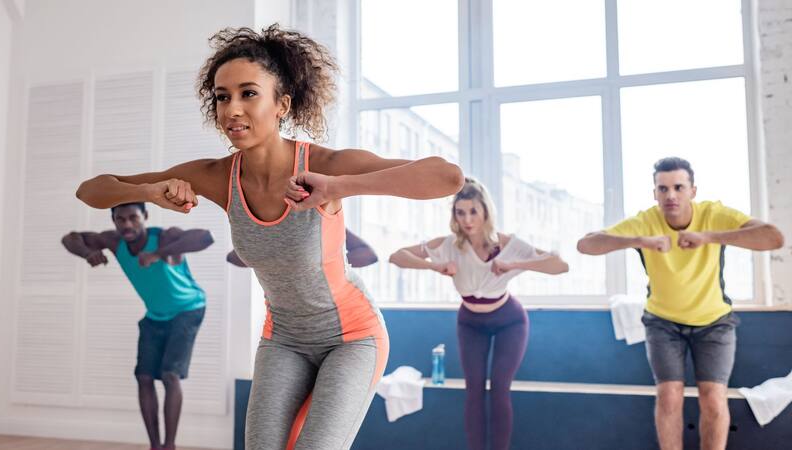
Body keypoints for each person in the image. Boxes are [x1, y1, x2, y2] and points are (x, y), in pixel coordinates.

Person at [74, 24, 463, 450]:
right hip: (284, 340)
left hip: (352, 338)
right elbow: (91, 190)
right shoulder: (218, 177)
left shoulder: (326, 165)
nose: (232, 109)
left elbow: (446, 177)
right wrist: (149, 192)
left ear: (282, 104)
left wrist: (338, 187)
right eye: (222, 97)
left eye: (248, 93)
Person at [577, 157, 784, 450]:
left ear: (692, 190)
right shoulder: (646, 221)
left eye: (678, 187)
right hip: (663, 322)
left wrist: (708, 237)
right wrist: (641, 241)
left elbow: (773, 238)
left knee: (713, 397)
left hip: (714, 322)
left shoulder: (713, 214)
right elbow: (586, 244)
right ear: (654, 193)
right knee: (669, 395)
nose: (670, 195)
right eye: (662, 189)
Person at [389, 177, 568, 450]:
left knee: (498, 388)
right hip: (470, 322)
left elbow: (560, 265)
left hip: (510, 320)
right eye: (460, 212)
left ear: (485, 211)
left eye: (473, 211)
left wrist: (513, 264)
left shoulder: (508, 244)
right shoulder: (448, 245)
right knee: (473, 390)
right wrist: (434, 267)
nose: (467, 219)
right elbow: (397, 256)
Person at [61, 202, 214, 450]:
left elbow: (206, 238)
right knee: (143, 376)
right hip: (155, 315)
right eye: (120, 219)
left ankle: (169, 445)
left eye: (133, 217)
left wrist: (159, 253)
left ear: (145, 216)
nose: (127, 224)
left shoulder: (165, 236)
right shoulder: (114, 241)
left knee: (169, 374)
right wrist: (87, 253)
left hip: (189, 309)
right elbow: (70, 238)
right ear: (114, 222)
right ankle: (154, 445)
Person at [227, 229, 378, 268]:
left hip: (330, 313)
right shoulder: (268, 225)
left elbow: (368, 256)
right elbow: (233, 258)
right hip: (284, 317)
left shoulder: (322, 219)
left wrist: (318, 262)